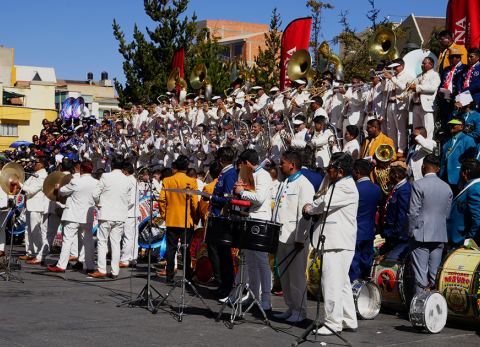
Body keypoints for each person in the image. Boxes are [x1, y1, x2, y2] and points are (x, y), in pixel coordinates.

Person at [304, 153, 359, 335]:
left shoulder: (346, 187)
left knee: (331, 283)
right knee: (341, 282)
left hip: (338, 241)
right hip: (337, 240)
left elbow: (324, 203)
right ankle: (348, 318)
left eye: (331, 169)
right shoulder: (338, 184)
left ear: (340, 171)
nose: (328, 172)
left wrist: (310, 208)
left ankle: (332, 322)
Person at [272, 150, 314, 323]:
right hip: (281, 236)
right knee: (285, 276)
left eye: (282, 162)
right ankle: (291, 307)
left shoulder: (304, 184)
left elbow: (304, 215)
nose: (280, 166)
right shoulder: (285, 182)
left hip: (295, 239)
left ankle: (300, 310)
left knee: (297, 276)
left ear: (292, 164)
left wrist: (300, 238)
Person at [234, 149, 273, 311]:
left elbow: (259, 198)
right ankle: (253, 294)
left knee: (261, 261)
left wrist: (242, 192)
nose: (242, 167)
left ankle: (266, 298)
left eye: (243, 164)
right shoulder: (251, 175)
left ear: (247, 163)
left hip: (260, 220)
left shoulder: (263, 175)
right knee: (250, 260)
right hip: (250, 219)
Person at [408, 154, 452, 295]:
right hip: (439, 234)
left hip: (421, 233)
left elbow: (413, 212)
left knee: (421, 274)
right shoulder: (447, 188)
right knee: (434, 274)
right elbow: (447, 214)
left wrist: (410, 231)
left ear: (423, 167)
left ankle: (420, 308)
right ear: (438, 169)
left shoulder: (418, 184)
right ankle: (436, 307)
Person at [47, 161, 97, 273]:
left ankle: (61, 265)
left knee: (67, 241)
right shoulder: (96, 182)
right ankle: (90, 266)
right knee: (88, 241)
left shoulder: (75, 181)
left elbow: (62, 192)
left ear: (81, 170)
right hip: (87, 216)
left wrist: (58, 187)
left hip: (73, 215)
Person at [90, 156, 132, 279]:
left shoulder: (106, 176)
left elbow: (95, 194)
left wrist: (98, 202)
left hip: (106, 213)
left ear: (112, 165)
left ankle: (102, 269)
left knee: (102, 242)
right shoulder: (127, 179)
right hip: (120, 215)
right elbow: (128, 199)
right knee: (116, 243)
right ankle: (115, 271)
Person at [159, 155, 198, 283]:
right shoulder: (192, 181)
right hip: (187, 220)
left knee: (171, 249)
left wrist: (165, 214)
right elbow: (194, 202)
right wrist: (195, 216)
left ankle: (169, 276)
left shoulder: (167, 180)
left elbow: (162, 200)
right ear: (187, 167)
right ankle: (187, 276)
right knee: (186, 249)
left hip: (172, 219)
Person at [208, 147, 238, 298]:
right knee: (220, 254)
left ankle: (227, 286)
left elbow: (227, 198)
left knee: (224, 256)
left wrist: (212, 198)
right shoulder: (225, 173)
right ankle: (223, 285)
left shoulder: (230, 174)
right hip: (216, 217)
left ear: (220, 160)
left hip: (223, 219)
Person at [349, 159, 381, 282]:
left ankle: (354, 289)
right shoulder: (376, 189)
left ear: (357, 172)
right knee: (366, 261)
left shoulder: (354, 188)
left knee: (354, 263)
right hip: (368, 231)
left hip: (355, 231)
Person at [379, 162, 411, 259]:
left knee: (391, 260)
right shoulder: (398, 187)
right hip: (390, 231)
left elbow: (402, 213)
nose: (388, 177)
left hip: (396, 234)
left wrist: (395, 232)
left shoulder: (404, 189)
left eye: (390, 174)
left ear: (396, 175)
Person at [18, 157, 48, 261]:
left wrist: (19, 183)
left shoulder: (43, 175)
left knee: (36, 231)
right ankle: (30, 252)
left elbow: (31, 190)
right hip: (30, 205)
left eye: (36, 162)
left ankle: (38, 253)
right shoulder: (34, 174)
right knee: (28, 230)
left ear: (42, 164)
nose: (34, 164)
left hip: (37, 206)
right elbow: (25, 186)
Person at [383, 58, 414, 155]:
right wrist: (385, 80)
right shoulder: (394, 76)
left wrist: (392, 78)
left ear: (402, 66)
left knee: (400, 129)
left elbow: (405, 88)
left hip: (400, 105)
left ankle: (401, 150)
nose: (394, 68)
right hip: (390, 104)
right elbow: (386, 90)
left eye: (396, 66)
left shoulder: (408, 76)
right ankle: (392, 147)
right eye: (393, 67)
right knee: (390, 128)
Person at [447, 159, 480, 246]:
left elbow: (477, 220)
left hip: (463, 243)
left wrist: (469, 241)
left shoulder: (474, 189)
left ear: (464, 173)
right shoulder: (472, 187)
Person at [440, 118, 477, 194]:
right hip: (444, 177)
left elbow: (470, 161)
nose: (451, 126)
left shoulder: (468, 139)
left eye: (454, 125)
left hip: (458, 177)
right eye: (450, 125)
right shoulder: (447, 141)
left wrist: (465, 176)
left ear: (461, 127)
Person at [409, 57, 441, 139]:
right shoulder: (419, 75)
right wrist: (409, 86)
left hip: (427, 106)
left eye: (424, 63)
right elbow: (413, 87)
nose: (422, 65)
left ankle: (428, 149)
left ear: (431, 64)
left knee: (428, 129)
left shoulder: (435, 75)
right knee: (416, 129)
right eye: (422, 63)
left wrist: (416, 87)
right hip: (416, 104)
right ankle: (417, 148)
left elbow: (432, 88)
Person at [119, 163, 140, 268]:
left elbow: (130, 200)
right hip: (134, 213)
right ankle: (133, 258)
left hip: (129, 213)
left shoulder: (128, 181)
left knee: (128, 236)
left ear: (125, 171)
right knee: (133, 237)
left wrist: (120, 207)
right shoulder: (134, 180)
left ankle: (125, 259)